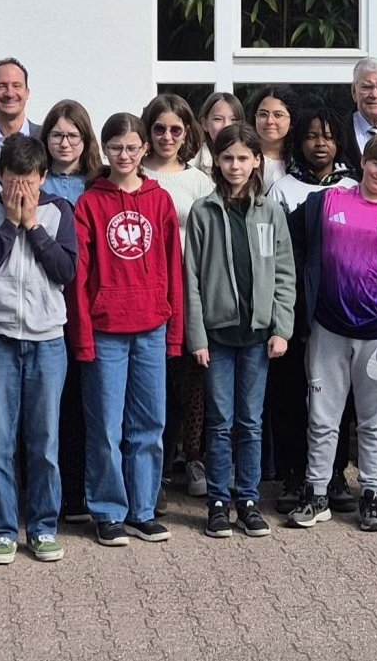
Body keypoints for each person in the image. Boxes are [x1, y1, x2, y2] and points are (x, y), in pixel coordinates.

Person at [287, 132, 377, 533]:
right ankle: (316, 493)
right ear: (364, 160)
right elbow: (288, 248)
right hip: (326, 331)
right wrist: (298, 304)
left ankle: (371, 496)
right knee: (322, 417)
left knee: (373, 421)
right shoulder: (323, 203)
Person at [70, 112, 183, 545]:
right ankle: (108, 511)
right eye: (116, 147)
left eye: (132, 147)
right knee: (105, 426)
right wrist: (82, 335)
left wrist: (175, 332)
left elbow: (173, 266)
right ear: (105, 150)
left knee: (149, 424)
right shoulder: (91, 203)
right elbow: (79, 277)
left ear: (144, 150)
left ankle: (142, 508)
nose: (124, 155)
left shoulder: (159, 201)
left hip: (152, 327)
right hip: (105, 330)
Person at [0, 133, 79, 564]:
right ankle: (2, 531)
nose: (21, 191)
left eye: (29, 182)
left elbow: (65, 270)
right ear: (0, 177)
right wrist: (11, 225)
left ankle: (44, 527)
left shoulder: (58, 212)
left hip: (48, 339)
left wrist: (32, 225)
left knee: (44, 441)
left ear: (43, 177)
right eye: (13, 181)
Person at [184, 122, 295, 538]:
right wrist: (196, 336)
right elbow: (191, 277)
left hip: (257, 335)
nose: (234, 165)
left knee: (250, 421)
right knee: (219, 421)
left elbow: (284, 274)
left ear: (256, 161)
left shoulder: (271, 213)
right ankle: (217, 501)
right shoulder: (204, 211)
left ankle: (247, 498)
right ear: (216, 161)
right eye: (227, 157)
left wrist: (281, 327)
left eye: (243, 158)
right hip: (217, 335)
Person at [266, 101, 359, 516]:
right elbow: (270, 253)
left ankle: (335, 472)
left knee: (339, 398)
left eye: (327, 135)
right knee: (290, 394)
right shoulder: (283, 188)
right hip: (295, 310)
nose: (320, 144)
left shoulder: (353, 187)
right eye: (310, 135)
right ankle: (293, 471)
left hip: (342, 309)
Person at [139, 93, 215, 499]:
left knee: (192, 381)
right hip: (148, 291)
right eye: (159, 129)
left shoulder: (200, 182)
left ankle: (193, 459)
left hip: (190, 290)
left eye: (176, 130)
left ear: (187, 133)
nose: (167, 137)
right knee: (157, 385)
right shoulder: (137, 175)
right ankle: (158, 467)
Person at [37, 99, 104, 523]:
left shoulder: (96, 185)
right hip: (44, 305)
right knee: (48, 409)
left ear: (85, 140)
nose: (64, 143)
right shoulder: (37, 186)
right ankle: (46, 495)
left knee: (84, 405)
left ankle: (79, 492)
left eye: (72, 136)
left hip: (90, 309)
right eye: (57, 135)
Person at [248, 86, 296, 191]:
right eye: (263, 114)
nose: (269, 121)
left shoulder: (300, 161)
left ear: (292, 121)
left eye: (278, 115)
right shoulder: (244, 157)